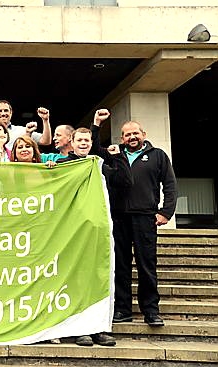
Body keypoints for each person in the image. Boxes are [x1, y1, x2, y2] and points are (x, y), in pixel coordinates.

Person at [91, 118, 177, 327]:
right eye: (127, 135)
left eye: (135, 133)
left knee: (146, 265)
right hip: (118, 218)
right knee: (120, 266)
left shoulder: (158, 156)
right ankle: (122, 309)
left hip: (145, 217)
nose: (132, 137)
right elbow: (93, 148)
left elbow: (170, 184)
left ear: (143, 135)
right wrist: (96, 125)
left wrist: (166, 212)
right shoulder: (114, 155)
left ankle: (151, 311)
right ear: (122, 138)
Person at [56, 126, 132, 347]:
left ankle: (99, 328)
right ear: (72, 141)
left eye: (87, 141)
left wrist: (118, 157)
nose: (83, 143)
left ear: (91, 143)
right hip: (71, 232)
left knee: (98, 280)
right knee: (77, 279)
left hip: (97, 232)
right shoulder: (63, 165)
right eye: (79, 140)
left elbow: (126, 182)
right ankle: (80, 329)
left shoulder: (100, 167)